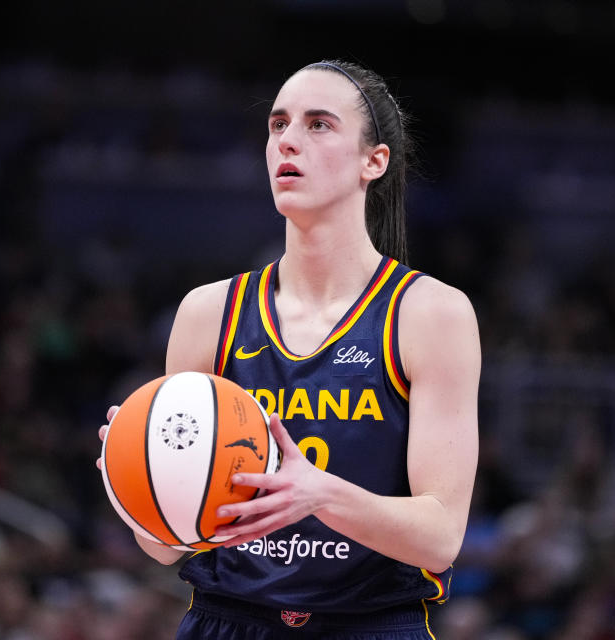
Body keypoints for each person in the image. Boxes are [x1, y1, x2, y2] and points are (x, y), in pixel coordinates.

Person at [97, 59, 480, 639]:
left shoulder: (431, 315)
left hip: (371, 625)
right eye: (278, 124)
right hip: (226, 622)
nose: (287, 141)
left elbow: (441, 536)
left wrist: (319, 494)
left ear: (372, 162)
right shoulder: (207, 314)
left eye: (318, 124)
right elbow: (166, 547)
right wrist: (136, 479)